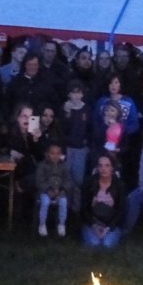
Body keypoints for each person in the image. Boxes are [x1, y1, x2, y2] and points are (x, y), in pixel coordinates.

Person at [81, 153, 126, 249]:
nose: (103, 169)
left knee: (107, 245)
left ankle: (114, 233)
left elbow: (121, 210)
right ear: (97, 167)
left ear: (112, 168)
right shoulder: (89, 182)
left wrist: (109, 227)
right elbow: (83, 208)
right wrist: (93, 225)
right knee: (94, 244)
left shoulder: (119, 185)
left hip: (111, 223)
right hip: (92, 221)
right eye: (100, 165)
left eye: (107, 165)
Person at [60, 79, 91, 213]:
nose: (76, 96)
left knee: (78, 180)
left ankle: (76, 210)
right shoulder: (64, 108)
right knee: (67, 179)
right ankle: (65, 209)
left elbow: (90, 128)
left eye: (79, 93)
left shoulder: (87, 109)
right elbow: (62, 128)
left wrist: (87, 143)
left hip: (81, 149)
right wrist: (66, 113)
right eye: (73, 93)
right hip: (67, 148)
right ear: (69, 94)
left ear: (83, 94)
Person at [35, 141, 71, 237]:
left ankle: (61, 224)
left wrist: (61, 189)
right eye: (52, 153)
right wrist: (49, 190)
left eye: (58, 154)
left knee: (63, 202)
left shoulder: (64, 166)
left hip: (60, 191)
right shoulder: (42, 165)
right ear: (47, 154)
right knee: (45, 202)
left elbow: (68, 180)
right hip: (45, 192)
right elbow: (39, 181)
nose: (55, 156)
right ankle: (42, 224)